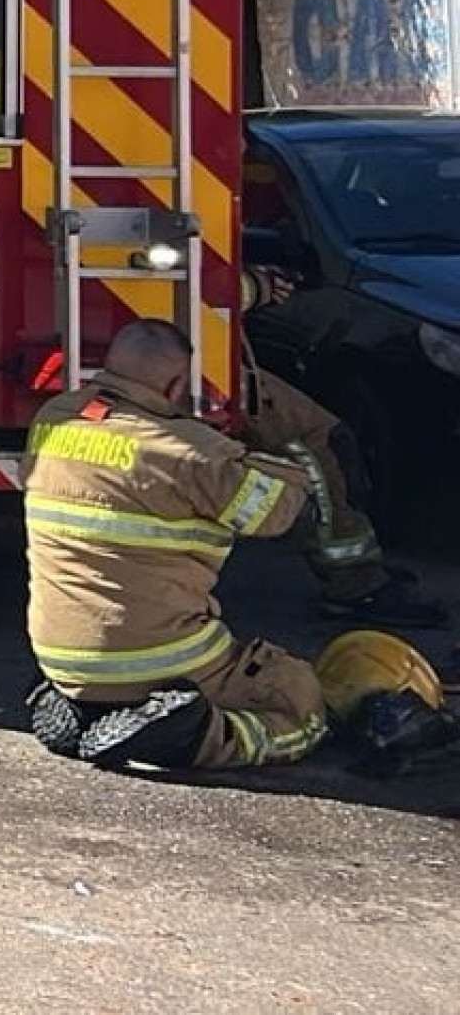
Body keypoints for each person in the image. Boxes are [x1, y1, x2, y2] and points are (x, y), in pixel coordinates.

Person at [23, 317, 329, 772]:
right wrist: (283, 461)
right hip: (159, 660)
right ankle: (192, 736)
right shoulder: (191, 453)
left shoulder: (53, 419)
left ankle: (88, 711)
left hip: (59, 656)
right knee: (296, 696)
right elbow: (278, 513)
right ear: (175, 383)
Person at [238, 262, 445, 627]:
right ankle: (354, 585)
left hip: (158, 366)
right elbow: (193, 296)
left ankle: (357, 576)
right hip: (190, 370)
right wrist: (256, 286)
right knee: (321, 443)